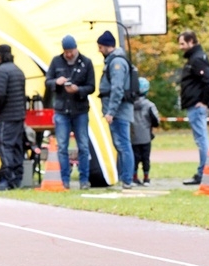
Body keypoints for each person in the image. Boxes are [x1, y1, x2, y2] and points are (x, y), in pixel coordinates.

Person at [44, 34, 96, 190]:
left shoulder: (86, 63)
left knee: (83, 146)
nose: (68, 54)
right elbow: (47, 82)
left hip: (80, 110)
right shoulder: (56, 62)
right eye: (66, 51)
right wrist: (56, 82)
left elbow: (91, 86)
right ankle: (64, 180)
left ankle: (84, 180)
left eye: (71, 51)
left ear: (76, 48)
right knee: (62, 147)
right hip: (61, 110)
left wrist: (78, 90)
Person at [96, 30, 134, 189]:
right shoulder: (114, 61)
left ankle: (127, 180)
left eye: (100, 47)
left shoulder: (116, 63)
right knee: (120, 145)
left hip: (119, 112)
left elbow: (117, 88)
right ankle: (125, 178)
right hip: (118, 111)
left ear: (106, 46)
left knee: (123, 145)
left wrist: (111, 111)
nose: (99, 50)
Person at [178, 30, 209, 185]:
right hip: (193, 105)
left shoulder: (197, 60)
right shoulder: (194, 58)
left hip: (196, 105)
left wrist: (204, 102)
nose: (180, 47)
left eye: (182, 43)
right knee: (201, 139)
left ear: (191, 41)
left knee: (202, 140)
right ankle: (204, 172)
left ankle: (205, 173)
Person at [0, 44, 27, 191]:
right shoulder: (18, 71)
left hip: (6, 116)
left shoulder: (2, 71)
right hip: (19, 116)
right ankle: (17, 179)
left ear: (0, 55)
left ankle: (7, 179)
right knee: (17, 147)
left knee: (4, 146)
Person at [131, 77, 160, 186]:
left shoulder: (130, 105)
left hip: (133, 136)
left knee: (135, 158)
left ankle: (134, 177)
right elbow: (156, 121)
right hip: (146, 136)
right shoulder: (149, 105)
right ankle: (146, 178)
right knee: (145, 159)